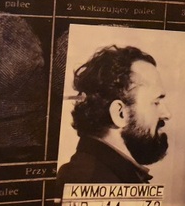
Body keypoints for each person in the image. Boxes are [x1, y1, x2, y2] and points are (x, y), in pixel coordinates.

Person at [56, 45, 172, 187]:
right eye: (156, 102)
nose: (167, 114)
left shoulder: (92, 174)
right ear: (120, 114)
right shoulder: (95, 183)